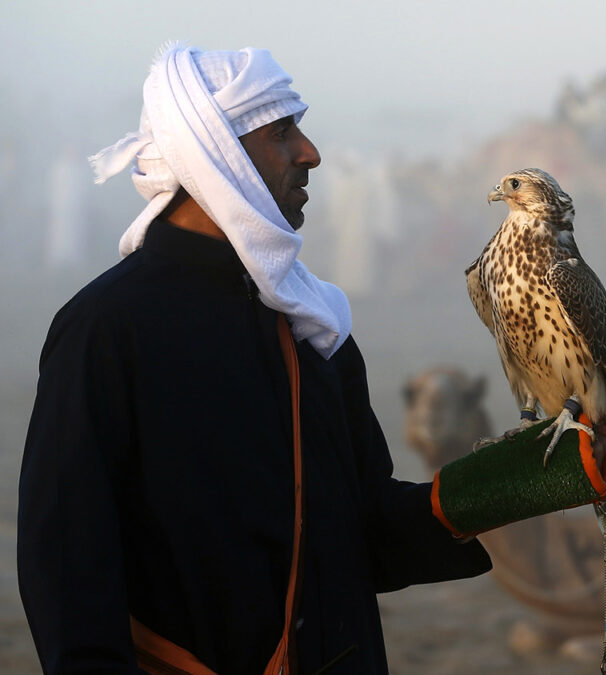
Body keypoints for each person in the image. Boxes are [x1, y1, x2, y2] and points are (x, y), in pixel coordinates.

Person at [18, 44, 494, 674]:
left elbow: (368, 534)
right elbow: (67, 566)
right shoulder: (106, 328)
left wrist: (512, 483)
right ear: (215, 156)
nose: (311, 153)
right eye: (281, 133)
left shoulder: (313, 322)